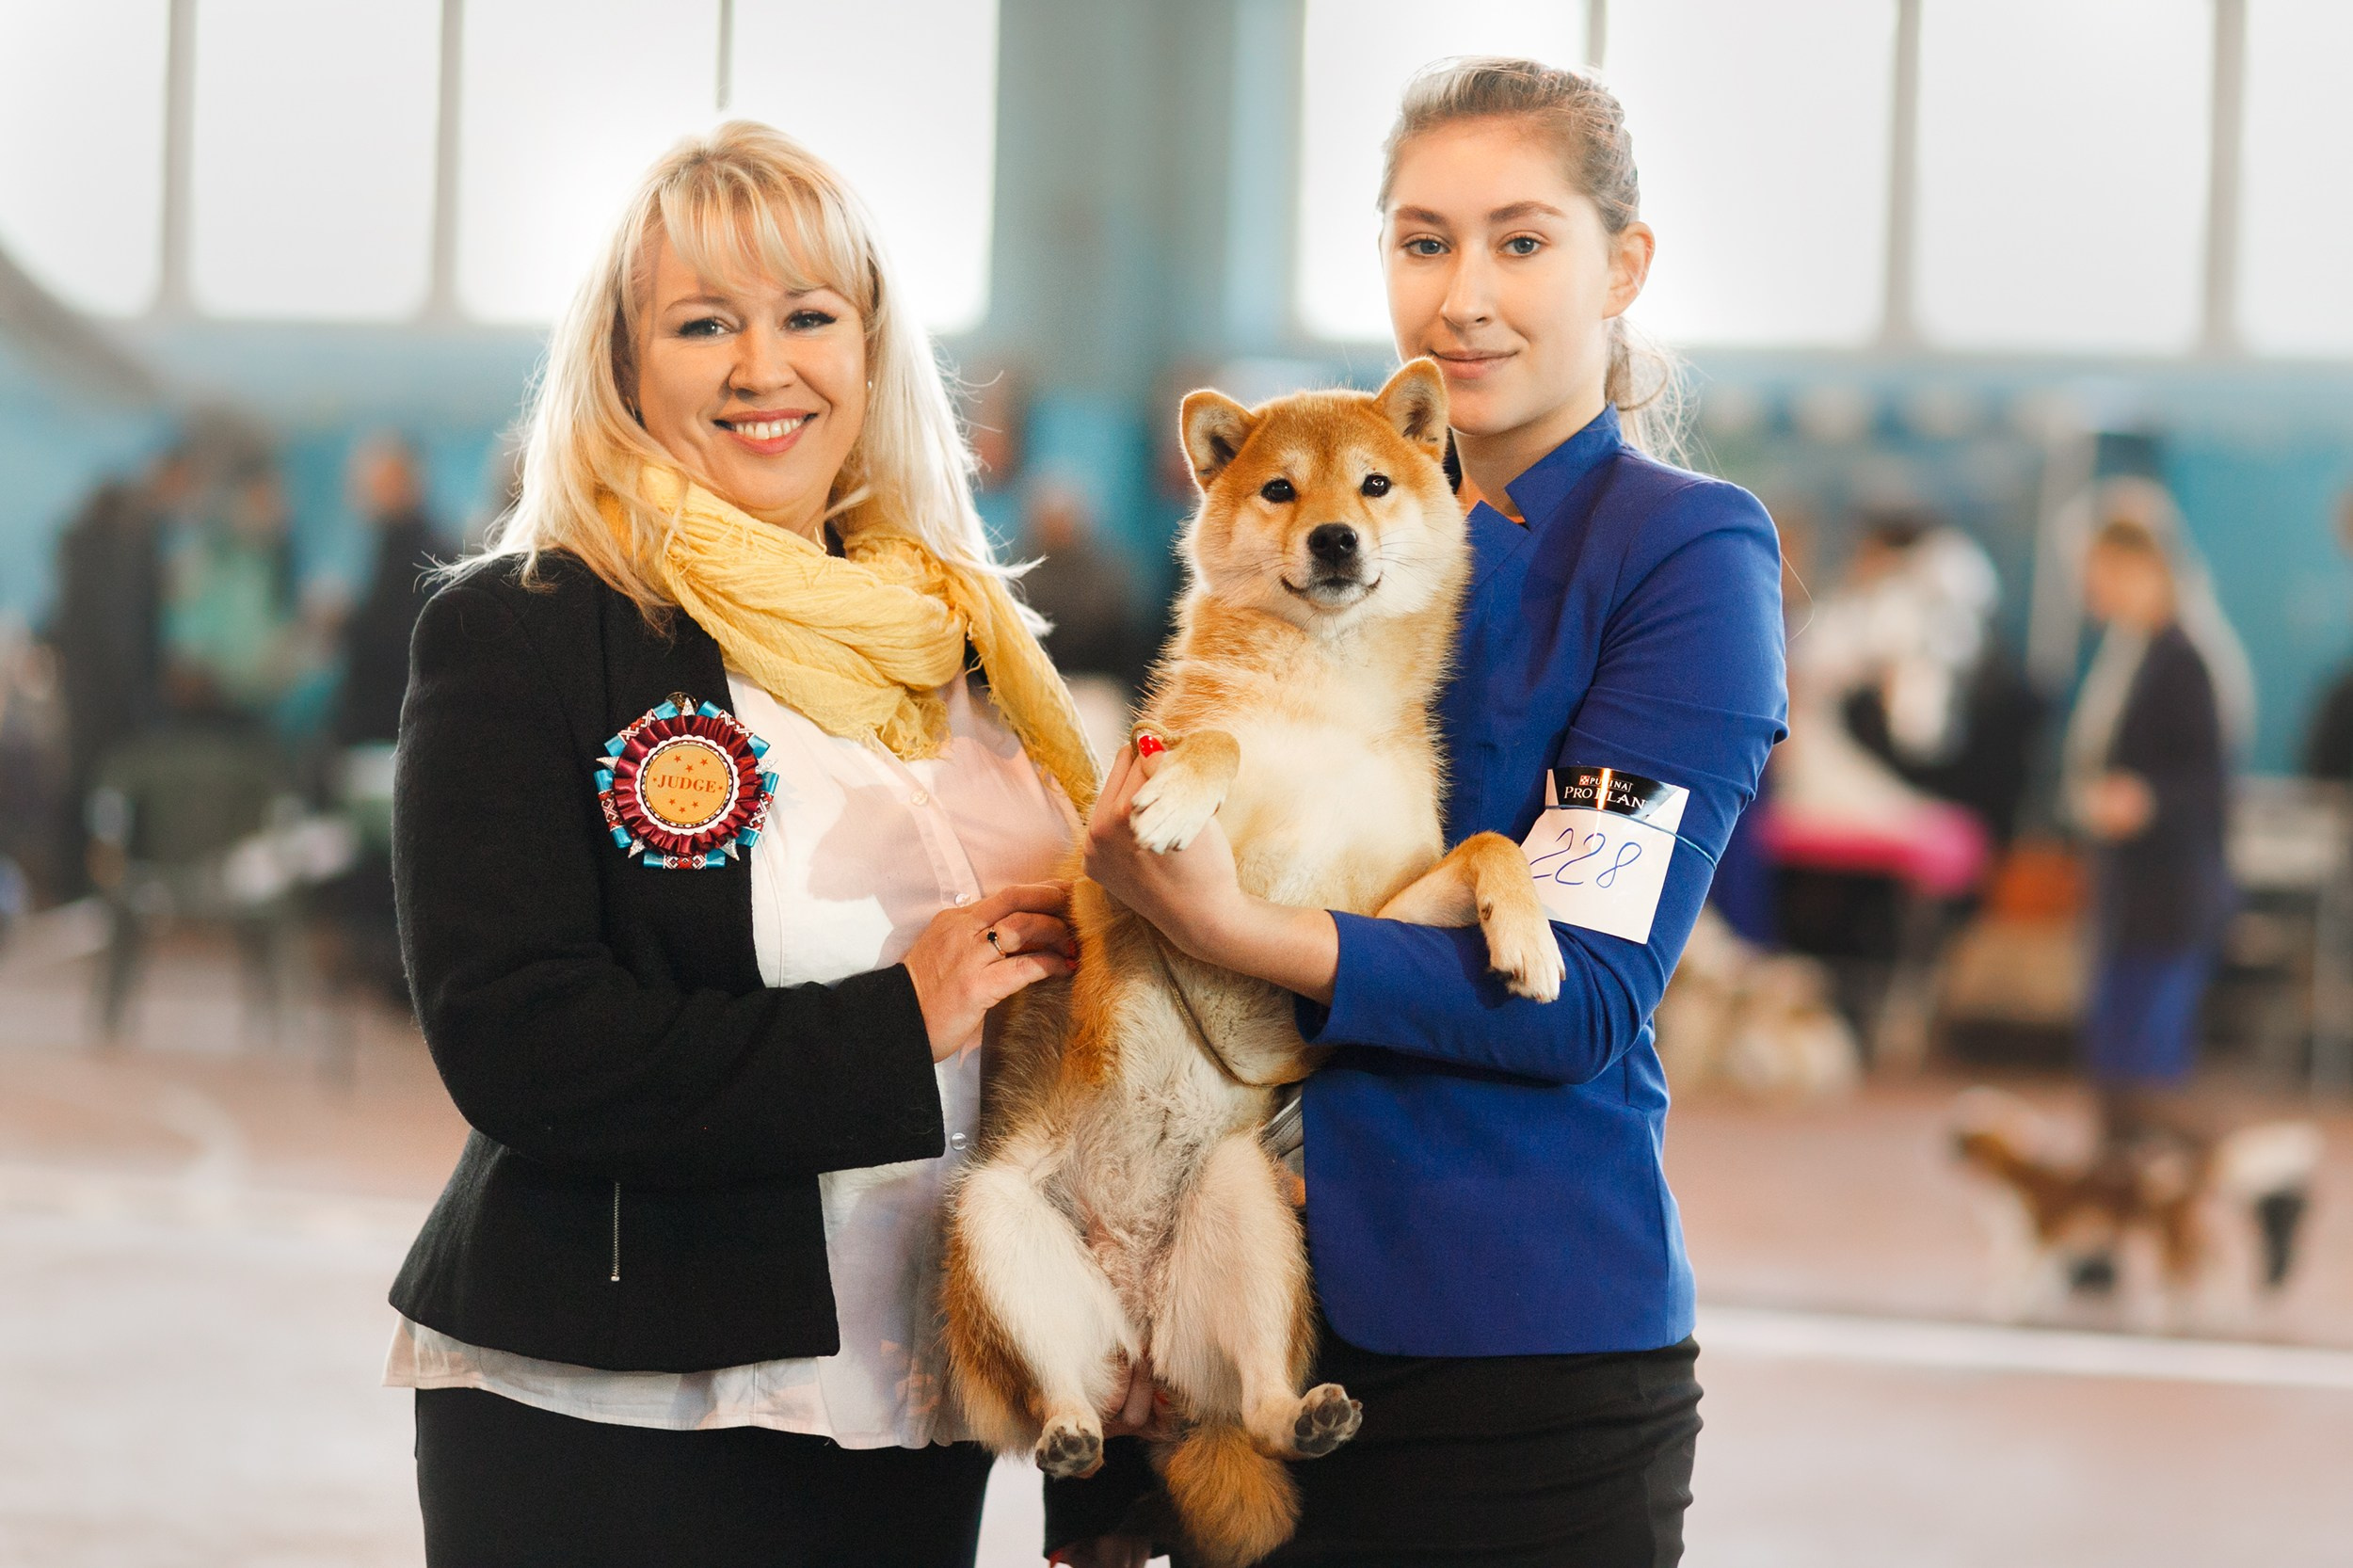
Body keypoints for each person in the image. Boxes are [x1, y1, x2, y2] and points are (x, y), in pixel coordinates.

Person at [1054, 57, 1786, 1567]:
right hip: (1183, 1323)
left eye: (1522, 241)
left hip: (1500, 1345)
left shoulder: (1681, 554)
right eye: (1421, 239)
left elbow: (1577, 998)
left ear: (1623, 265)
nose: (1464, 294)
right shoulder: (1294, 504)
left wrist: (1238, 927)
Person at [381, 121, 1100, 1568]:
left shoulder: (959, 643)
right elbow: (519, 1039)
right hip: (622, 1397)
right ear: (626, 363)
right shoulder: (526, 629)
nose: (763, 367)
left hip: (913, 1387)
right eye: (704, 322)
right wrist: (895, 1027)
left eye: (808, 316)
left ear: (872, 346)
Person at [2064, 507, 2234, 1173]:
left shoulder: (2183, 659)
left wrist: (2147, 799)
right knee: (2115, 1070)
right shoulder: (2137, 653)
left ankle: (2242, 1177)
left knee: (2144, 1077)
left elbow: (2208, 781)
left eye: (2101, 573)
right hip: (2134, 888)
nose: (2093, 589)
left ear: (2143, 568)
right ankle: (2108, 1232)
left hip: (2171, 892)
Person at [333, 434, 440, 746]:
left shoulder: (420, 550)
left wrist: (343, 624)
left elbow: (389, 635)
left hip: (391, 715)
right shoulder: (393, 542)